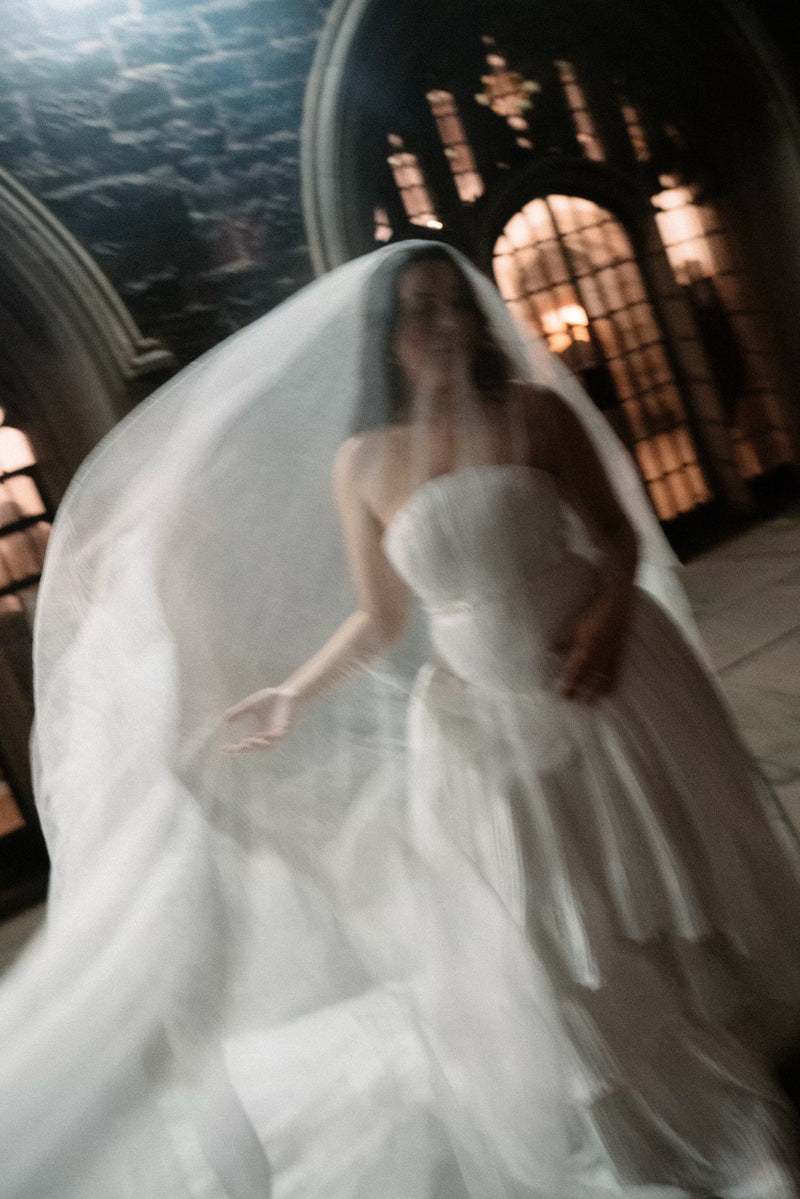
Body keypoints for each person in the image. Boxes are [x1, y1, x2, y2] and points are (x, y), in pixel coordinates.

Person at [0, 240, 797, 1198]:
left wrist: (606, 621)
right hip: (480, 721)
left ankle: (726, 1031)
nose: (447, 324)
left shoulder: (534, 414)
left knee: (657, 871)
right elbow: (381, 616)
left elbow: (619, 531)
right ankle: (633, 1098)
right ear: (390, 337)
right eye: (422, 309)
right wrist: (294, 690)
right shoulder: (363, 462)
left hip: (610, 683)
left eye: (455, 304)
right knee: (549, 920)